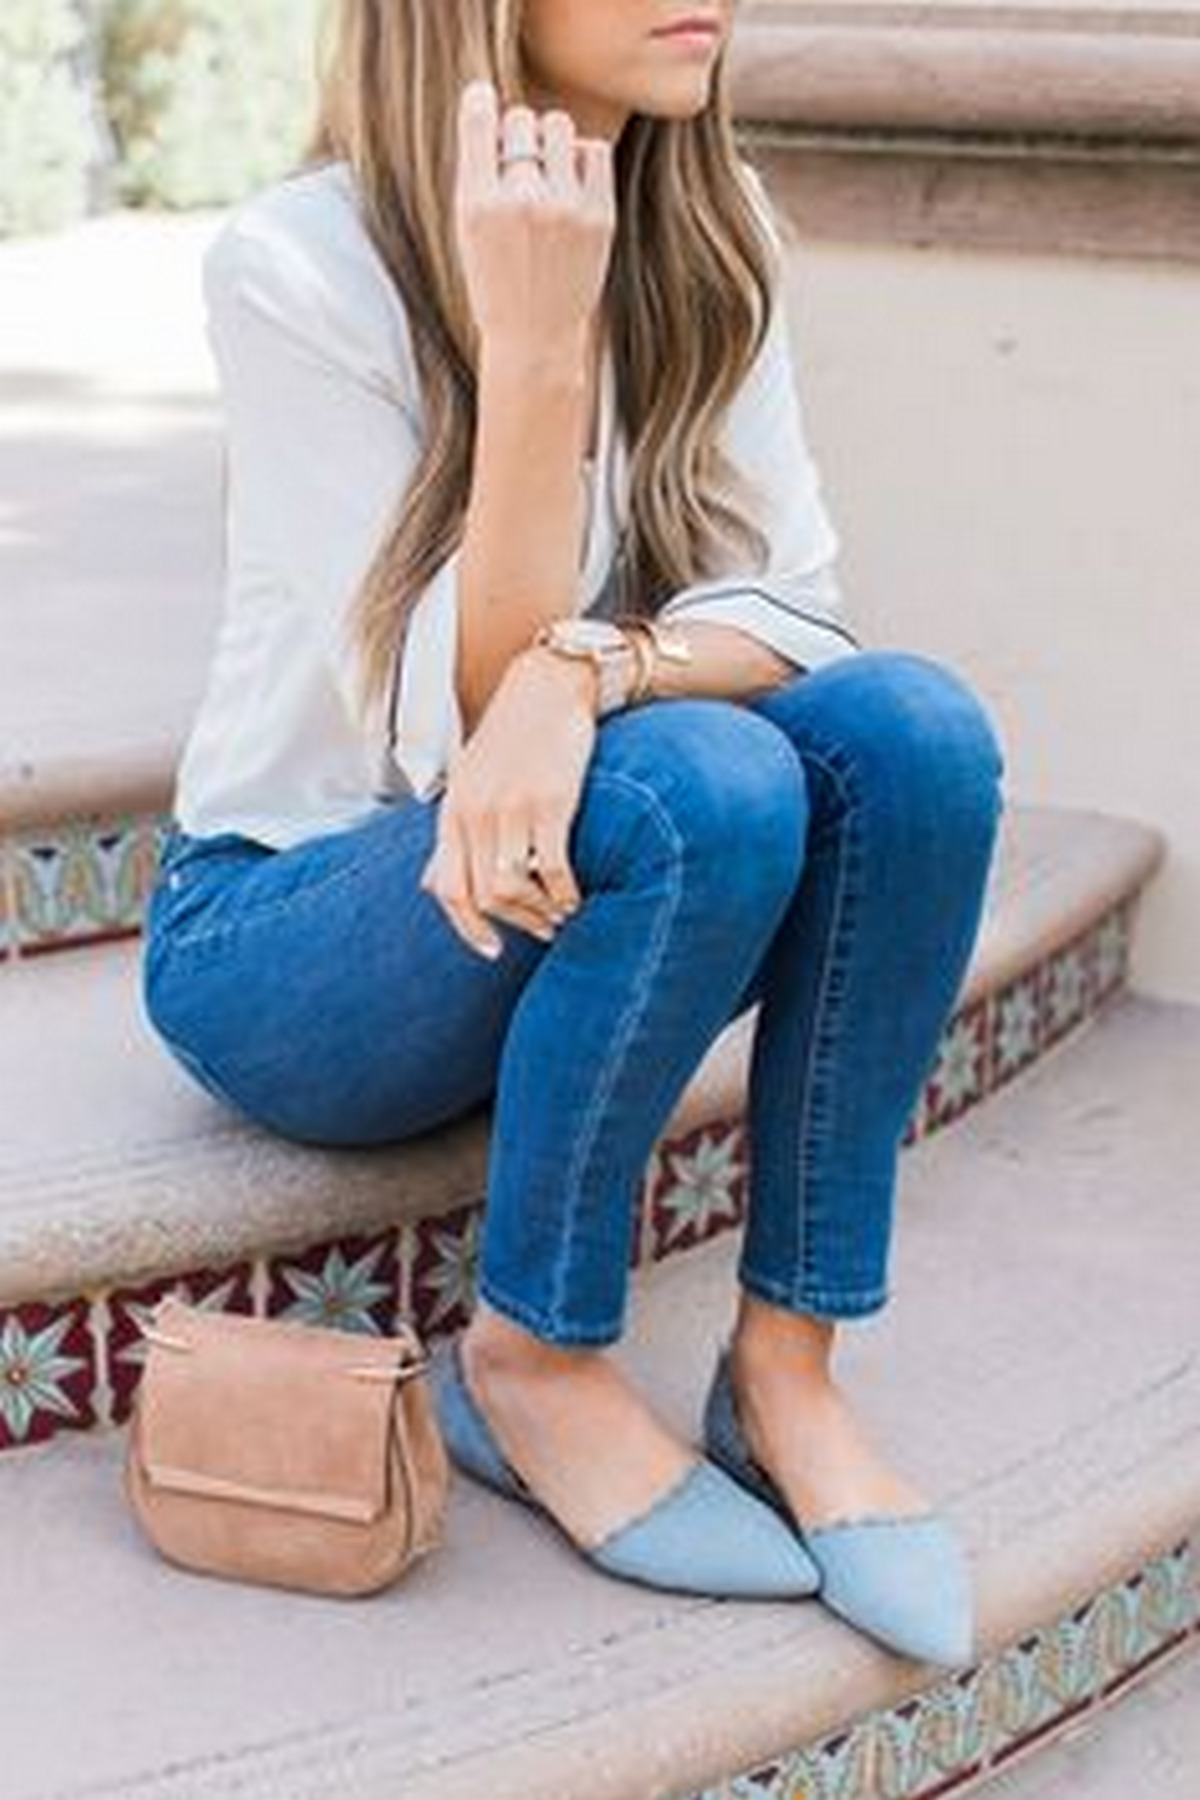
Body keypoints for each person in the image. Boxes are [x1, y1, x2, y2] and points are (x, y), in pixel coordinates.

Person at [141, 0, 1004, 1663]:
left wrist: (583, 662)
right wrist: (536, 348)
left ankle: (787, 1367)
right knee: (707, 783)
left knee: (917, 738)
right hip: (293, 941)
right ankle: (530, 1354)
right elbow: (453, 752)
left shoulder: (712, 217)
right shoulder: (298, 269)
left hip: (569, 884)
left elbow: (800, 606)